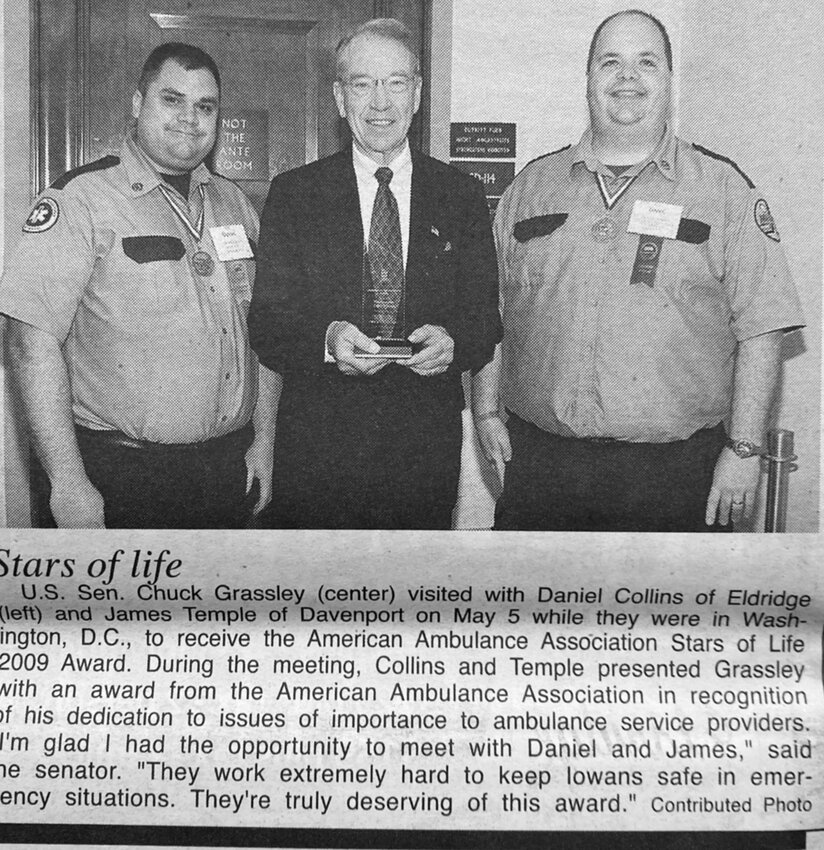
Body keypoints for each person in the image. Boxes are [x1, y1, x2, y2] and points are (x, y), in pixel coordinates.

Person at [473, 10, 804, 532]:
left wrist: (744, 449)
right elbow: (490, 315)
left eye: (646, 62)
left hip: (676, 477)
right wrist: (487, 409)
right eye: (611, 62)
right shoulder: (530, 188)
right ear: (588, 80)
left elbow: (762, 328)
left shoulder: (723, 190)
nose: (627, 77)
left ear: (670, 81)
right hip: (542, 472)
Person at [0, 42, 281, 529]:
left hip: (227, 470)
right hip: (118, 475)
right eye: (172, 100)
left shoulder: (235, 205)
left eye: (204, 106)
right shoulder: (81, 200)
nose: (189, 119)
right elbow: (29, 343)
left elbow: (267, 333)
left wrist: (265, 440)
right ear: (137, 104)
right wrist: (68, 483)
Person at [248, 18, 501, 530]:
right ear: (340, 99)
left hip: (422, 457)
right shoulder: (296, 195)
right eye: (363, 84)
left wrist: (455, 343)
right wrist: (327, 337)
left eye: (396, 83)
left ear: (417, 94)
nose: (380, 103)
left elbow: (484, 320)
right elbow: (268, 325)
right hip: (318, 456)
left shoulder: (461, 197)